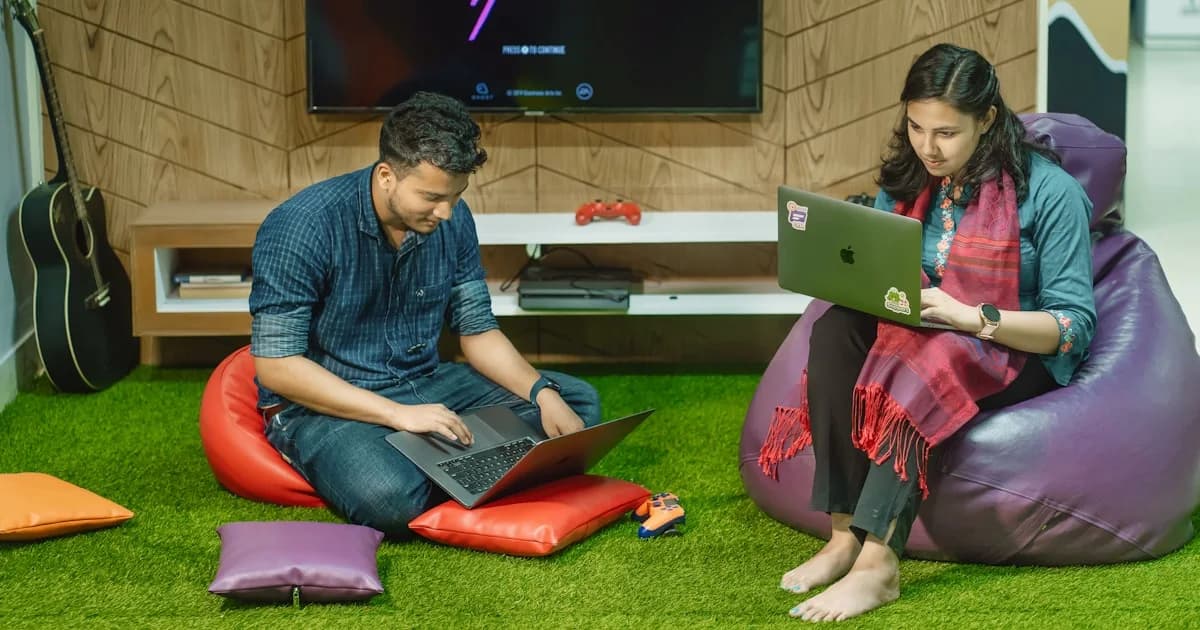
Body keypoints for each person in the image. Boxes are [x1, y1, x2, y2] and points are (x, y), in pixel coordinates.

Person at [758, 44, 1097, 621]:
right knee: (835, 331)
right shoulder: (911, 178)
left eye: (946, 133)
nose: (927, 147)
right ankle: (842, 535)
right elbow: (881, 273)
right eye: (916, 127)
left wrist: (972, 317)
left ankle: (878, 563)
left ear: (987, 119)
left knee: (931, 353)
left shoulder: (1050, 193)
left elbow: (1073, 326)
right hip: (923, 324)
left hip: (1011, 348)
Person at [249, 91, 601, 537]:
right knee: (387, 495)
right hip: (326, 405)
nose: (447, 212)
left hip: (425, 382)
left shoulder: (452, 218)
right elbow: (277, 367)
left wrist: (540, 393)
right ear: (386, 176)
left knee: (576, 403)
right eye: (432, 197)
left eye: (456, 195)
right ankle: (465, 461)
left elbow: (478, 331)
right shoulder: (301, 225)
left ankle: (442, 462)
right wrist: (398, 415)